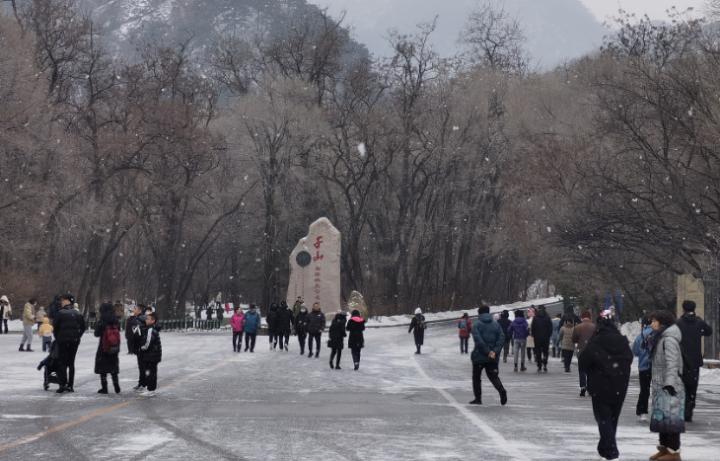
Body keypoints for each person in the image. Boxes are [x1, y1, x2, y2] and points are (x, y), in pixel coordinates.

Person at [578, 311, 633, 461]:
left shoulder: (596, 341)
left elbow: (583, 362)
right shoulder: (622, 341)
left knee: (603, 418)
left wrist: (596, 368)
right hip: (620, 385)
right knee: (613, 418)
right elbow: (629, 358)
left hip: (599, 386)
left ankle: (610, 451)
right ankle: (605, 447)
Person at [647, 309, 685, 461]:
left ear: (662, 323)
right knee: (662, 420)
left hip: (669, 386)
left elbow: (672, 363)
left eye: (654, 321)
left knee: (671, 421)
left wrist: (669, 384)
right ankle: (664, 449)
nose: (652, 323)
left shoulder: (668, 339)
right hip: (660, 384)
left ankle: (674, 452)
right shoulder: (660, 338)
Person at [675, 300, 713, 423]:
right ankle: (689, 411)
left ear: (683, 309)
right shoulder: (699, 322)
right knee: (692, 387)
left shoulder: (678, 323)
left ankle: (681, 410)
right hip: (695, 361)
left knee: (681, 386)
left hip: (682, 360)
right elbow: (709, 332)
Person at [469, 305, 507, 406]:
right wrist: (494, 351)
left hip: (479, 356)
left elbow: (478, 340)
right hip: (492, 357)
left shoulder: (476, 324)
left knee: (476, 377)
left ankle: (478, 398)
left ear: (479, 313)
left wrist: (487, 351)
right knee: (493, 376)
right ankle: (501, 390)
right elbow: (502, 338)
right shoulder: (496, 324)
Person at [52, 293, 85, 393]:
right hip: (74, 341)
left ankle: (62, 384)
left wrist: (58, 338)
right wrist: (77, 337)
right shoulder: (77, 313)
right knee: (71, 363)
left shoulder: (60, 313)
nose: (61, 302)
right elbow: (82, 327)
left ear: (67, 301)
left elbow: (55, 328)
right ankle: (70, 385)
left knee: (62, 363)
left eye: (63, 300)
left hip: (62, 341)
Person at [94, 302, 121, 394]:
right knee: (113, 367)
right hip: (114, 347)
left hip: (104, 347)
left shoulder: (102, 320)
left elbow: (96, 333)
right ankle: (116, 386)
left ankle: (104, 388)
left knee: (103, 368)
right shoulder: (115, 319)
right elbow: (119, 329)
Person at [632, 316, 653, 422]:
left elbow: (635, 351)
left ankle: (642, 411)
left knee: (644, 389)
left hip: (644, 366)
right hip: (656, 366)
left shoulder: (640, 336)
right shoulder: (658, 334)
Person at [572, 310, 596, 397]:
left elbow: (574, 339)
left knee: (582, 369)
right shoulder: (594, 327)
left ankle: (583, 386)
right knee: (591, 370)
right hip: (592, 351)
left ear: (582, 317)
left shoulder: (578, 327)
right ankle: (590, 387)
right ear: (590, 317)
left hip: (581, 351)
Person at [138, 312, 162, 396]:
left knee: (150, 373)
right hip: (153, 355)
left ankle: (150, 389)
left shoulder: (150, 330)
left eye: (148, 319)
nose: (146, 320)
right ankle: (151, 389)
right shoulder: (151, 328)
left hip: (151, 356)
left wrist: (142, 348)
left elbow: (148, 343)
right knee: (152, 372)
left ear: (153, 321)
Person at [126, 304, 147, 391]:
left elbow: (135, 334)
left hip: (140, 346)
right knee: (142, 365)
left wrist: (134, 346)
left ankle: (143, 383)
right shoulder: (143, 319)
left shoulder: (138, 320)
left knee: (142, 365)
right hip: (142, 345)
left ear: (139, 310)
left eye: (135, 309)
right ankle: (142, 382)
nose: (133, 310)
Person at [531, 305, 553, 373]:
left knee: (538, 352)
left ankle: (539, 365)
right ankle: (545, 364)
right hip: (546, 338)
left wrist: (534, 335)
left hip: (537, 338)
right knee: (545, 351)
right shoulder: (547, 318)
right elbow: (550, 328)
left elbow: (533, 328)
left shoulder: (535, 318)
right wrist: (548, 335)